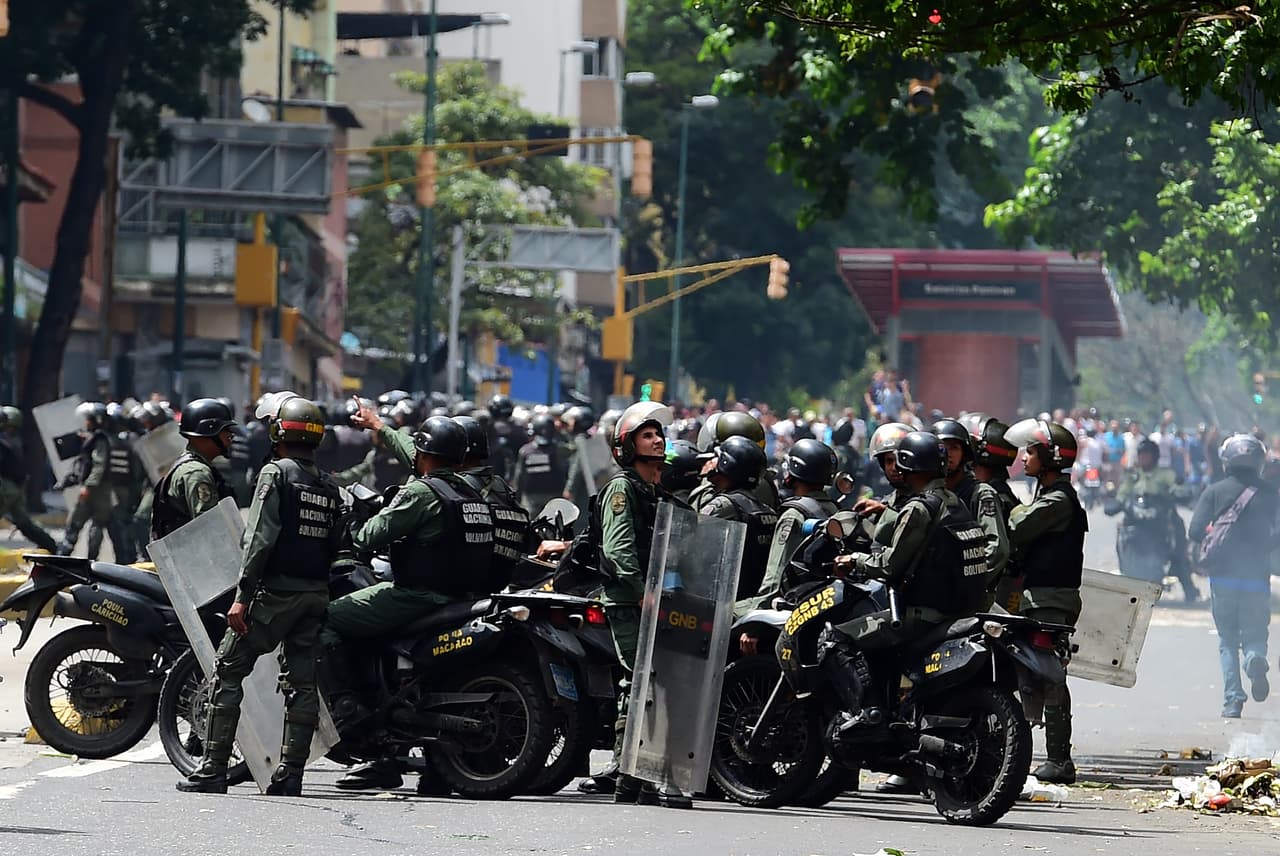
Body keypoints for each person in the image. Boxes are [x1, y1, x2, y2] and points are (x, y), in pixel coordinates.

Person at [322, 415, 494, 793]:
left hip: (418, 595)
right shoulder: (470, 495)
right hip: (461, 597)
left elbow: (368, 537)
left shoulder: (421, 492)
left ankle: (346, 706)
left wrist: (356, 521)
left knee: (326, 620)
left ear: (424, 454)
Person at [177, 398, 340, 795]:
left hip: (274, 595)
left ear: (279, 432)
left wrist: (242, 596)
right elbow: (337, 544)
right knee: (302, 684)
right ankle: (291, 776)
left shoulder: (275, 474)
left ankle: (213, 769)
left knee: (229, 670)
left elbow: (260, 540)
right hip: (315, 594)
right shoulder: (329, 485)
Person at [829, 431, 987, 739]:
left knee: (836, 639)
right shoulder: (954, 500)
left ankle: (868, 713)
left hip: (922, 613)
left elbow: (888, 565)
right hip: (955, 611)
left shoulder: (918, 508)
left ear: (908, 465)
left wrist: (853, 562)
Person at [580, 400, 684, 807]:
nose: (657, 439)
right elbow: (620, 550)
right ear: (627, 445)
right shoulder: (623, 489)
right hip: (630, 602)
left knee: (648, 682)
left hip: (654, 601)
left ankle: (636, 776)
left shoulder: (655, 491)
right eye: (647, 434)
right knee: (638, 681)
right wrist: (644, 591)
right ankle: (629, 776)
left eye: (658, 434)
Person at [1004, 418, 1088, 784]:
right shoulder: (1048, 495)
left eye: (1031, 451)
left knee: (1050, 675)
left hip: (1050, 599)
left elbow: (1018, 525)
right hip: (1037, 596)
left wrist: (1008, 510)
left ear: (1051, 457)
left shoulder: (1058, 501)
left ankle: (1059, 760)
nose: (1024, 458)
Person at [1189, 434, 1279, 718]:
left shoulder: (1215, 491)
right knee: (1254, 632)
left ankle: (1232, 701)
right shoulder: (1270, 494)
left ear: (1227, 460)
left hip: (1223, 577)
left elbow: (1194, 531)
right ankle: (1254, 657)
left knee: (1227, 639)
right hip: (1256, 577)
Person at [736, 439, 840, 625]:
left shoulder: (794, 515)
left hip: (791, 604)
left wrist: (755, 622)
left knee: (721, 612)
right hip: (821, 601)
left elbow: (774, 581)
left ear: (795, 471)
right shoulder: (835, 510)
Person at [1114, 438, 1199, 602]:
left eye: (1147, 455)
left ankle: (1188, 585)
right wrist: (1117, 502)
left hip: (1160, 518)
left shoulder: (1165, 474)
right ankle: (1125, 568)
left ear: (1155, 456)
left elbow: (1176, 487)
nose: (1143, 458)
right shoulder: (1133, 475)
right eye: (1141, 455)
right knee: (1121, 530)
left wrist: (1180, 492)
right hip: (1136, 518)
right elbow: (1123, 492)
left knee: (1178, 537)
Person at [932, 418, 1010, 596]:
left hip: (965, 597)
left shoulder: (981, 494)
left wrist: (966, 583)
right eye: (943, 447)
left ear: (965, 454)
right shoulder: (929, 493)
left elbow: (996, 550)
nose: (948, 454)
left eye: (954, 448)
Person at [700, 437, 778, 607]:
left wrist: (705, 479)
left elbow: (691, 539)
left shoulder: (724, 506)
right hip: (747, 601)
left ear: (727, 464)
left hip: (723, 602)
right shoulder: (767, 510)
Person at [150, 399, 239, 540]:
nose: (230, 436)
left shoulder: (189, 464)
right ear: (207, 432)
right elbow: (210, 527)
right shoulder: (196, 473)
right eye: (225, 430)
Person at [58, 402, 115, 558]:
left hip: (99, 490)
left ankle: (91, 560)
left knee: (96, 525)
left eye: (89, 419)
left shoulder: (100, 440)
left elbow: (99, 465)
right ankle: (63, 556)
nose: (86, 422)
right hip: (92, 488)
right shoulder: (92, 438)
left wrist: (88, 487)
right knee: (75, 522)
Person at [0, 406, 59, 553]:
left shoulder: (3, 442)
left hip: (5, 488)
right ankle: (51, 545)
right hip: (16, 488)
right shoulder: (12, 441)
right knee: (24, 523)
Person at [513, 414, 568, 515]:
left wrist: (517, 497)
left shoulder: (525, 451)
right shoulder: (558, 449)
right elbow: (564, 473)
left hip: (531, 499)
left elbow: (519, 476)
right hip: (553, 497)